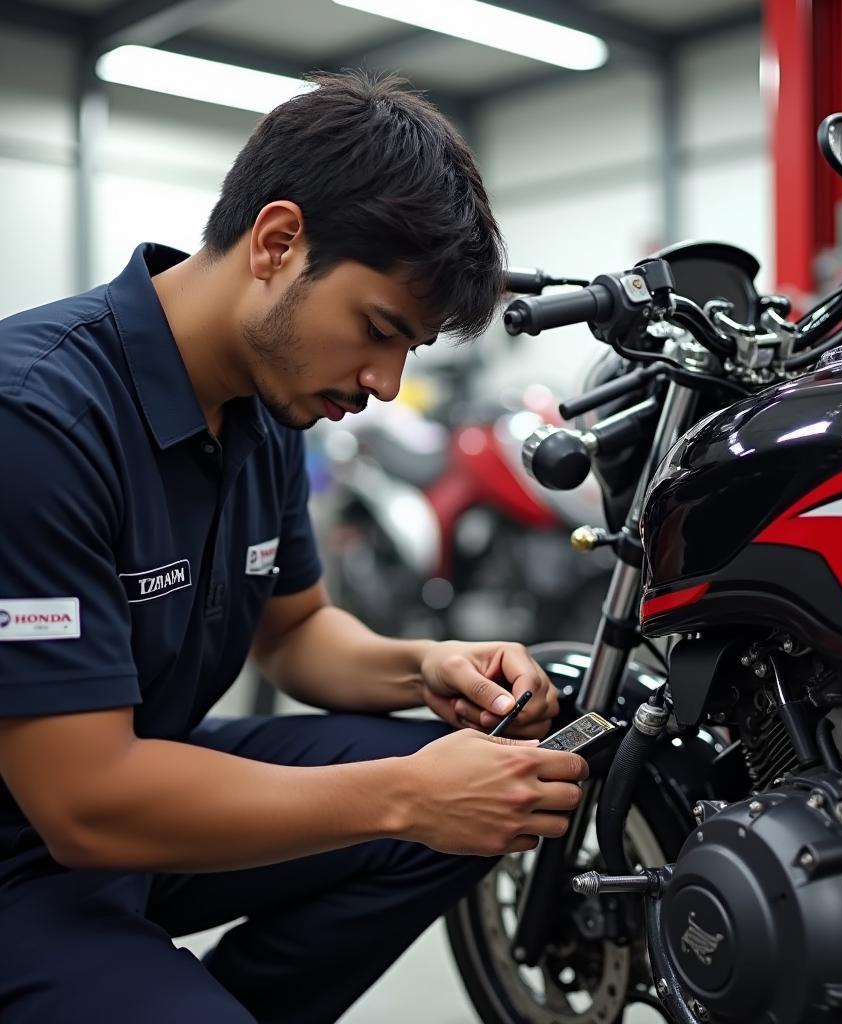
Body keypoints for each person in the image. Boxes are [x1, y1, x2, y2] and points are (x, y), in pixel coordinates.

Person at [0, 71, 585, 1023]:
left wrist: (425, 666)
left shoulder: (264, 410)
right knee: (420, 799)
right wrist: (403, 794)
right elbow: (85, 801)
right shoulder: (37, 418)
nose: (388, 384)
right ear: (277, 243)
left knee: (471, 796)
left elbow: (296, 631)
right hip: (37, 848)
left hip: (141, 789)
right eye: (379, 331)